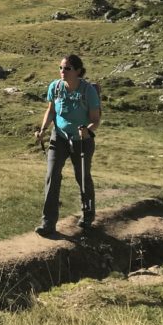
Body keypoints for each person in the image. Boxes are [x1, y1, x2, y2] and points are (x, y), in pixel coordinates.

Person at [34, 54, 101, 236]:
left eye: (67, 68)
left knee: (82, 177)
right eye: (61, 68)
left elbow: (95, 119)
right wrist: (43, 130)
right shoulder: (55, 87)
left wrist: (87, 130)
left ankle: (87, 215)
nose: (63, 71)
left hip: (82, 141)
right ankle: (48, 223)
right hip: (59, 138)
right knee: (52, 175)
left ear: (78, 71)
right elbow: (51, 110)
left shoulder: (89, 91)